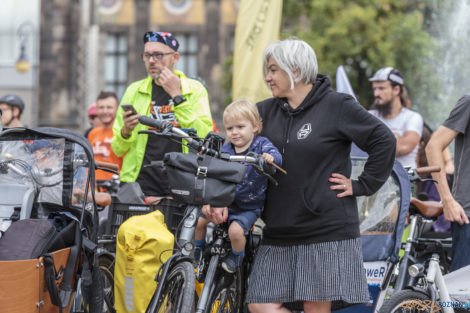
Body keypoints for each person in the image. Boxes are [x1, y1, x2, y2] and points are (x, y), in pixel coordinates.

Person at [205, 38, 396, 313]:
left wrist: (361, 184)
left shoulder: (337, 105)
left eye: (273, 70)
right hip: (278, 229)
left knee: (314, 308)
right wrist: (218, 196)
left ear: (294, 71)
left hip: (325, 229)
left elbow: (383, 140)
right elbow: (232, 152)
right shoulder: (263, 112)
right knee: (259, 304)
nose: (267, 77)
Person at [111, 31, 212, 198]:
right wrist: (126, 132)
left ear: (175, 57)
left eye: (158, 55)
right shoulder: (134, 90)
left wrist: (177, 96)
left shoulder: (195, 90)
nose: (152, 61)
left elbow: (203, 137)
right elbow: (117, 149)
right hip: (139, 183)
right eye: (147, 55)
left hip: (182, 180)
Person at [196, 99, 282, 273]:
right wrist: (208, 201)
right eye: (230, 128)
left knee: (236, 232)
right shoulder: (226, 150)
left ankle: (237, 255)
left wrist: (269, 159)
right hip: (224, 201)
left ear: (255, 127)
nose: (234, 133)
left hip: (247, 207)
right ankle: (198, 249)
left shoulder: (260, 144)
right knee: (199, 222)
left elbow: (276, 156)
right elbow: (214, 176)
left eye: (240, 127)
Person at [425, 94, 470, 271]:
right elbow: (433, 146)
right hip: (467, 217)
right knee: (462, 295)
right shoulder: (468, 103)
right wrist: (447, 200)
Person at [368, 67, 423, 169]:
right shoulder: (370, 115)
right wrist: (395, 137)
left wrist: (370, 140)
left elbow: (402, 148)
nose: (376, 94)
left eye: (381, 88)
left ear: (396, 89)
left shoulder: (413, 117)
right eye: (374, 89)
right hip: (376, 179)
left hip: (406, 181)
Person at [87, 91, 123, 181]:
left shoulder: (123, 134)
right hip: (91, 190)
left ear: (117, 109)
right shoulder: (92, 133)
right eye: (101, 107)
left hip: (113, 190)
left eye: (109, 107)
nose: (105, 111)